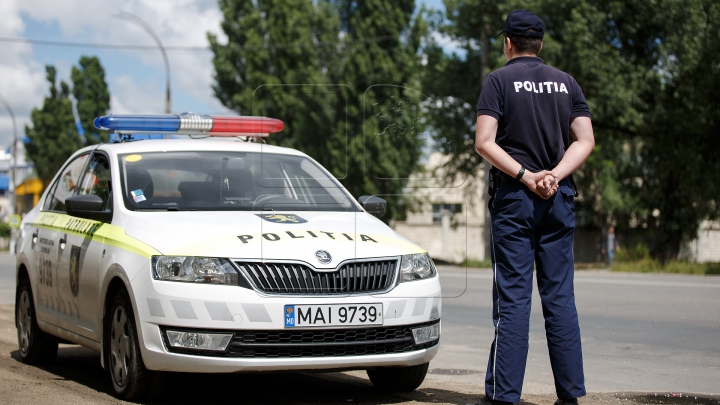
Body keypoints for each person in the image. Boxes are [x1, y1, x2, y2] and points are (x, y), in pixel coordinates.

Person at [473, 9, 596, 405]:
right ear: (539, 44)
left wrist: (527, 176)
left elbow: (484, 142)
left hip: (515, 202)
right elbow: (585, 140)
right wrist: (554, 176)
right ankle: (570, 396)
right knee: (560, 299)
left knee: (513, 302)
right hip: (558, 199)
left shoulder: (498, 81)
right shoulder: (566, 83)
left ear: (508, 42)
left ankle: (504, 397)